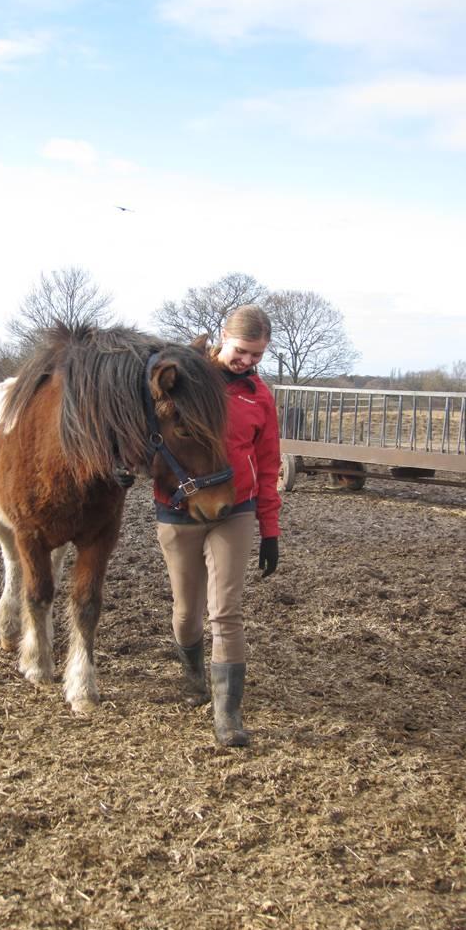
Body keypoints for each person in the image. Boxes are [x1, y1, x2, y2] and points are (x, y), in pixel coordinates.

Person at [154, 305, 281, 747]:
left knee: (225, 611)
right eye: (242, 351)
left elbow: (268, 465)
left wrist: (270, 529)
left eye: (258, 356)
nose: (247, 362)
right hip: (178, 508)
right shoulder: (182, 379)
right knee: (187, 612)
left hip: (236, 507)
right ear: (223, 337)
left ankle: (228, 715)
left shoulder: (259, 397)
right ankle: (193, 675)